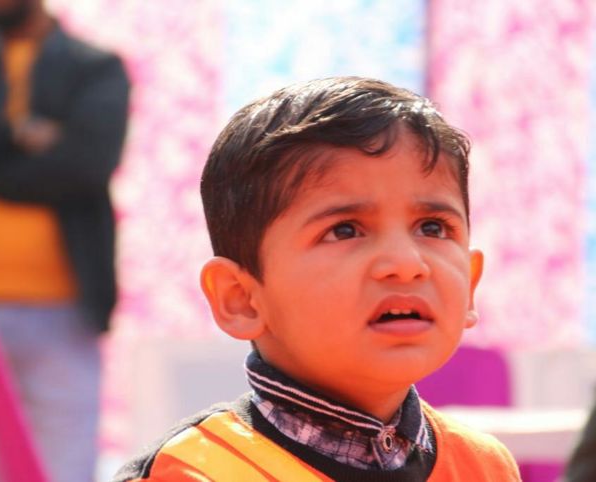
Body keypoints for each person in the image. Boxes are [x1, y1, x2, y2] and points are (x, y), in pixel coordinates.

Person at [113, 77, 520, 481]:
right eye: (345, 230)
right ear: (241, 299)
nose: (406, 263)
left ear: (471, 284)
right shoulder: (194, 472)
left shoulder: (484, 466)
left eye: (432, 228)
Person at [0, 0, 129, 481]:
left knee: (64, 466)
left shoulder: (94, 67)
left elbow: (86, 165)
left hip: (65, 309)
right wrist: (14, 132)